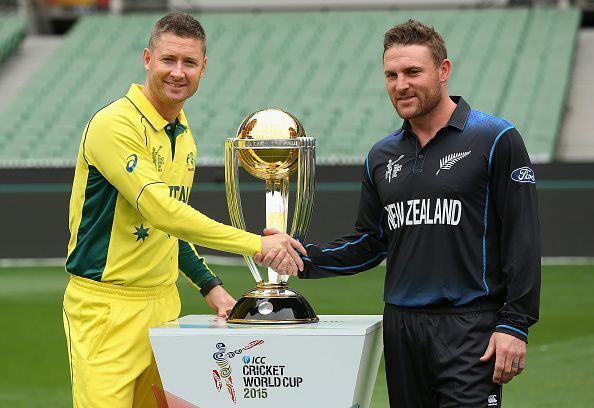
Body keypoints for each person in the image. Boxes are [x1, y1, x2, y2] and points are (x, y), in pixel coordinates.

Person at [256, 19, 540, 407]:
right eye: (391, 74)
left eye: (412, 72)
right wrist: (299, 258)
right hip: (402, 327)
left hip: (470, 326)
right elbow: (371, 242)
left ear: (443, 71)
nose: (400, 84)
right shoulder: (381, 155)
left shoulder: (495, 139)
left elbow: (522, 239)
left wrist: (515, 324)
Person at [63, 12, 306, 408]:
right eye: (168, 60)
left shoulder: (182, 133)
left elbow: (168, 231)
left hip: (164, 306)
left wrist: (211, 288)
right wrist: (254, 244)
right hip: (106, 310)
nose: (178, 73)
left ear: (203, 67)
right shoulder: (114, 124)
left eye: (189, 63)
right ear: (147, 59)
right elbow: (163, 213)